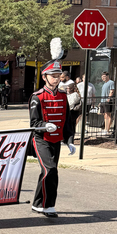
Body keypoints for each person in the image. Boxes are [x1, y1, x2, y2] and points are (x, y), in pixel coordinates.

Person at [30, 60, 75, 218]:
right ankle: (48, 205)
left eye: (58, 76)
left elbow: (67, 121)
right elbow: (34, 123)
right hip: (41, 139)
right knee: (50, 170)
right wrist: (44, 125)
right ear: (44, 77)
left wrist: (69, 140)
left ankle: (37, 204)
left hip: (56, 139)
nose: (56, 79)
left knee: (47, 171)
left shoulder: (63, 96)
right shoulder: (37, 97)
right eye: (53, 76)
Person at [101, 71, 115, 135]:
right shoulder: (104, 84)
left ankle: (107, 130)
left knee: (108, 115)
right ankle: (105, 129)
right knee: (105, 115)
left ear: (107, 76)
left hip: (107, 101)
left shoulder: (111, 82)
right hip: (103, 101)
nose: (103, 78)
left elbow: (112, 91)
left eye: (104, 76)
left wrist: (108, 98)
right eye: (102, 76)